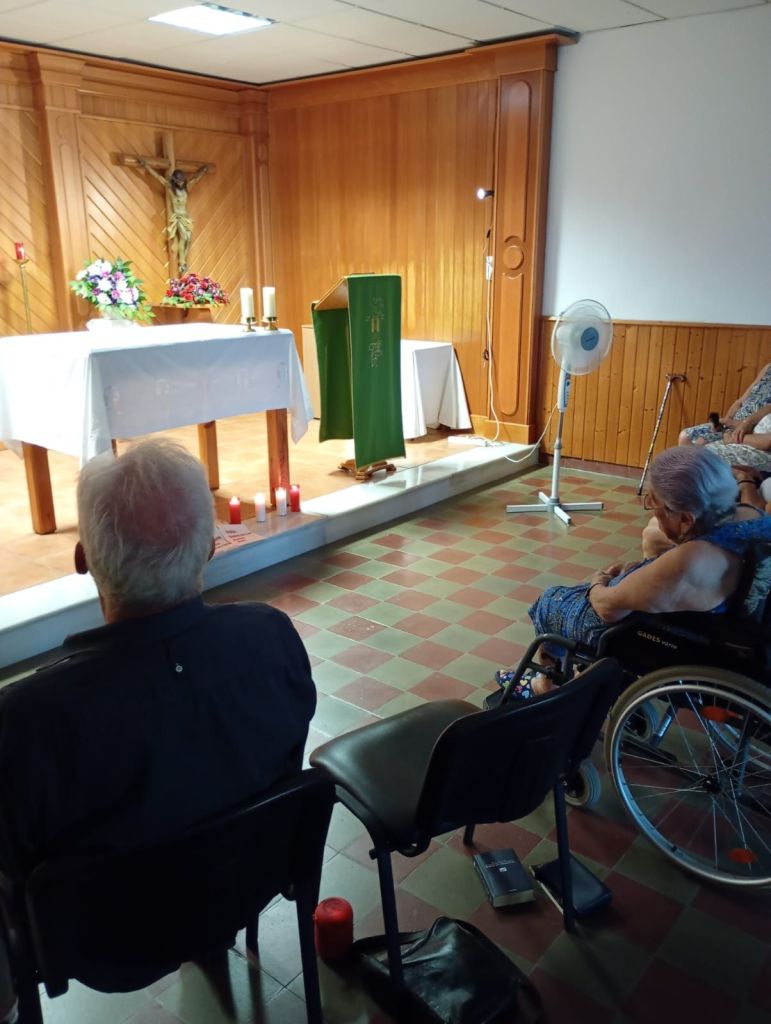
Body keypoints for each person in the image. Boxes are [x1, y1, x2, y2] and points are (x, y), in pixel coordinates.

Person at [0, 440, 316, 1011]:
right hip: (248, 885)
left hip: (105, 947)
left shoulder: (25, 721)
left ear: (83, 559)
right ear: (210, 549)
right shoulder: (271, 637)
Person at [497, 446, 771, 700]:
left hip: (654, 635)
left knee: (550, 601)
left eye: (654, 502)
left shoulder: (692, 561)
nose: (652, 509)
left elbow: (608, 609)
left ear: (686, 519)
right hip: (734, 629)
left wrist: (598, 583)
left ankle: (545, 685)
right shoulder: (750, 514)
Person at [138, 159, 212, 273]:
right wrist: (147, 166)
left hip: (185, 217)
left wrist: (203, 171)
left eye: (182, 181)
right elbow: (158, 178)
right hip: (177, 216)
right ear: (174, 181)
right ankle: (182, 262)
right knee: (183, 238)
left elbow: (196, 178)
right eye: (178, 181)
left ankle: (183, 260)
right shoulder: (170, 189)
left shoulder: (187, 187)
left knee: (188, 240)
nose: (180, 183)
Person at [678, 362, 771, 447]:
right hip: (731, 423)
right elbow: (739, 402)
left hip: (751, 428)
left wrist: (745, 423)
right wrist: (726, 422)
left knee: (701, 443)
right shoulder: (768, 368)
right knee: (685, 436)